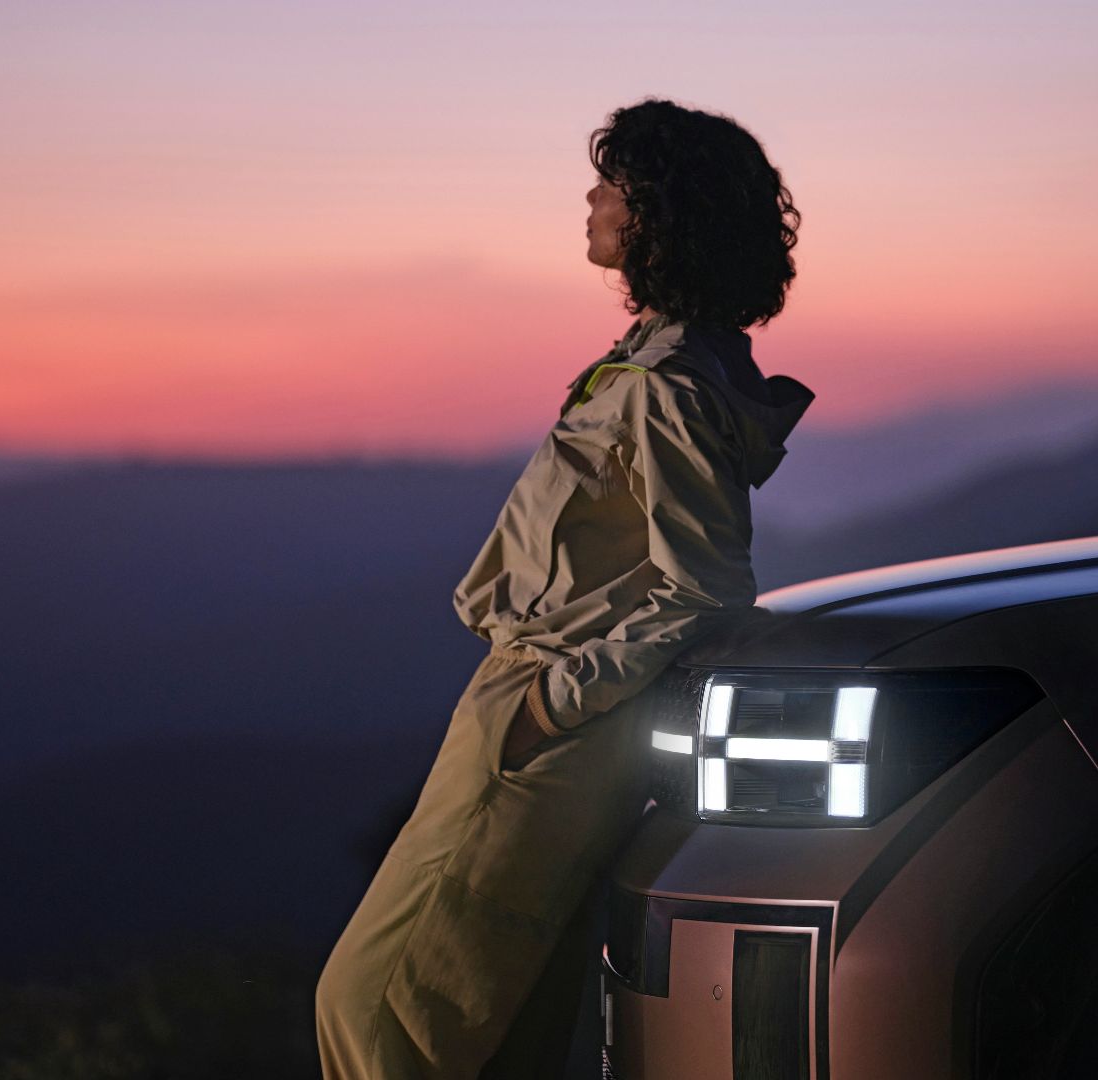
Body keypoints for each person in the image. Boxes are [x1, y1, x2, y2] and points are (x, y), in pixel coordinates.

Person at [314, 96, 816, 1080]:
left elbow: (704, 592)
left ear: (660, 214)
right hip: (530, 718)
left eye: (615, 184)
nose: (591, 197)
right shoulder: (662, 362)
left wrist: (549, 705)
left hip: (548, 728)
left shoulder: (668, 383)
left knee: (384, 1023)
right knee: (497, 1027)